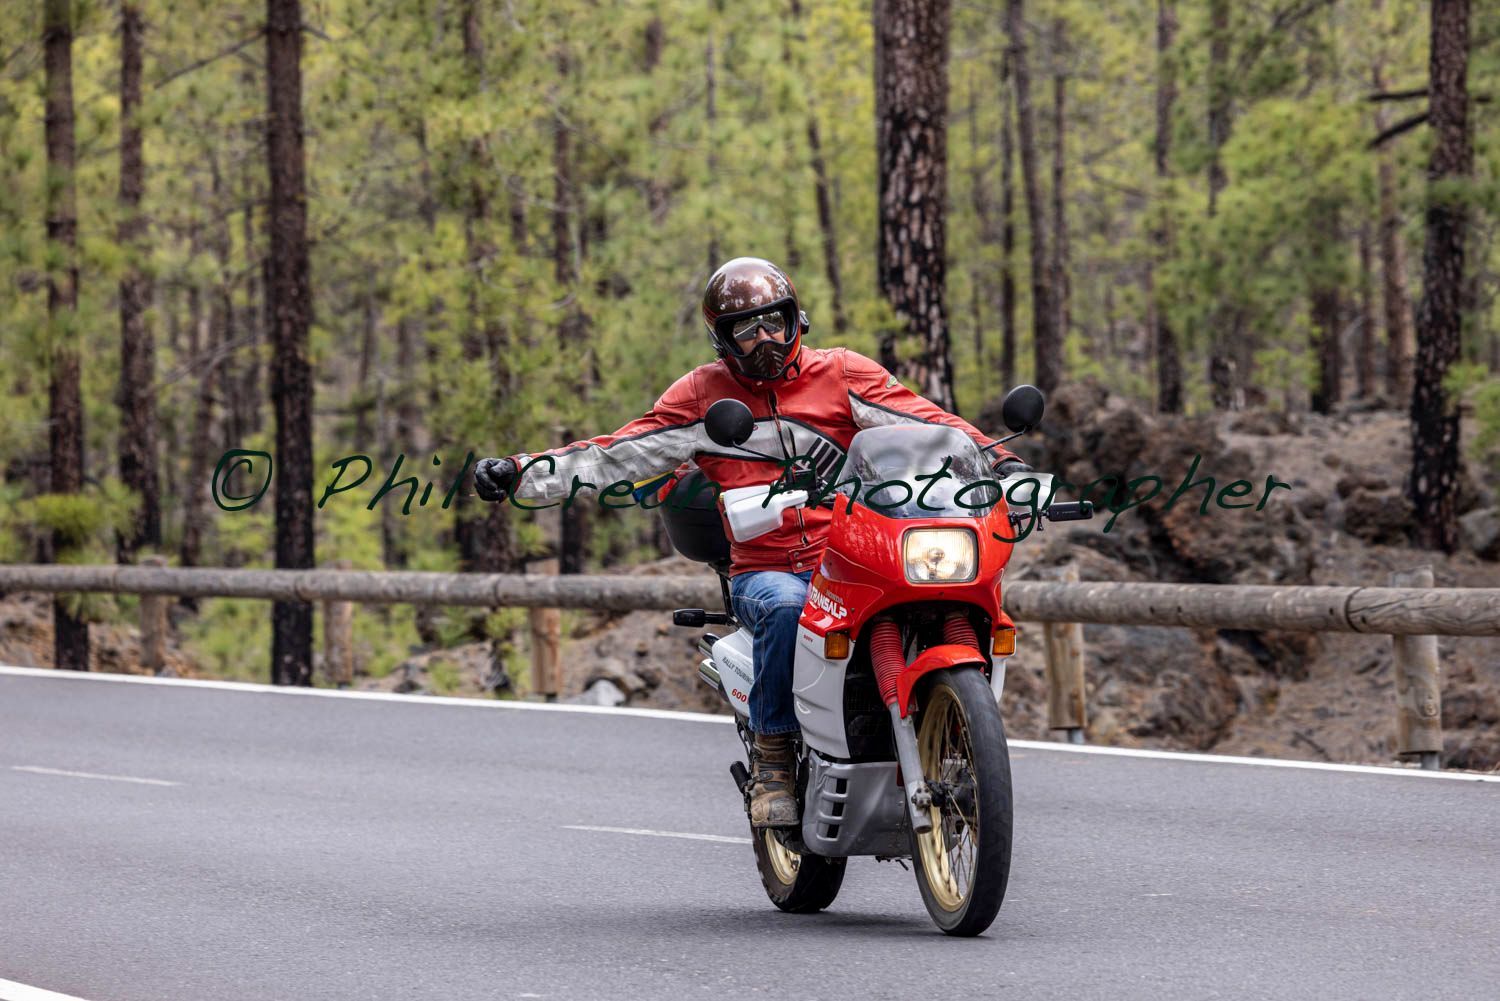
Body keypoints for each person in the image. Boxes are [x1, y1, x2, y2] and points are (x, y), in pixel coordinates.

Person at [474, 257, 1029, 828]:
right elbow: (619, 454)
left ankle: (959, 730)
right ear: (723, 339)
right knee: (787, 608)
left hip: (851, 556)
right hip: (769, 568)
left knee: (936, 589)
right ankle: (773, 759)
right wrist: (520, 474)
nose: (764, 340)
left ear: (796, 320)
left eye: (773, 323)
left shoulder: (842, 373)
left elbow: (927, 422)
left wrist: (1006, 468)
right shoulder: (701, 396)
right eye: (746, 329)